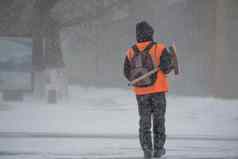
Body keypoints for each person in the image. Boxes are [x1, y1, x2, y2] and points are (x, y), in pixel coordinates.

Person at [123, 21, 176, 159]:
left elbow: (126, 72)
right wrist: (169, 63)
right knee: (159, 120)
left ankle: (147, 150)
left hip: (141, 93)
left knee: (144, 121)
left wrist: (140, 80)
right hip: (158, 91)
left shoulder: (130, 51)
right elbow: (166, 69)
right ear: (151, 33)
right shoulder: (159, 48)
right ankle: (158, 149)